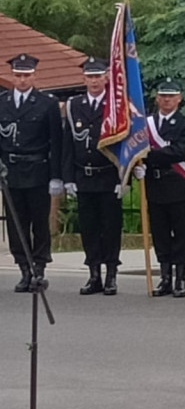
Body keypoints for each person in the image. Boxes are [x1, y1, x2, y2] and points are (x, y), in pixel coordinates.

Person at [0, 53, 63, 291]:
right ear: (12, 76)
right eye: (18, 75)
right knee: (17, 224)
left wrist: (56, 176)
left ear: (34, 76)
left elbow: (56, 142)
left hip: (38, 170)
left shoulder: (47, 103)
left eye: (26, 75)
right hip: (11, 172)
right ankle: (23, 268)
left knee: (39, 223)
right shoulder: (2, 102)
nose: (22, 80)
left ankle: (39, 267)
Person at [61, 57, 123, 295]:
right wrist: (68, 178)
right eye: (90, 77)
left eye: (98, 76)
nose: (94, 81)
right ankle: (94, 274)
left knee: (110, 228)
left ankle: (111, 275)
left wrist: (123, 177)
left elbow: (124, 142)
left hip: (108, 176)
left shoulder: (116, 105)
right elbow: (68, 143)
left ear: (106, 77)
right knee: (89, 228)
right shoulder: (75, 104)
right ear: (84, 79)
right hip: (84, 176)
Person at [142, 77, 185, 297]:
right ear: (157, 98)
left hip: (178, 184)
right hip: (155, 185)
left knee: (182, 233)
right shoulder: (146, 124)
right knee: (160, 233)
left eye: (171, 96)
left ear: (179, 99)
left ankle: (181, 278)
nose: (167, 100)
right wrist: (141, 164)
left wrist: (148, 155)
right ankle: (164, 277)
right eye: (163, 96)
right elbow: (137, 149)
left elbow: (180, 153)